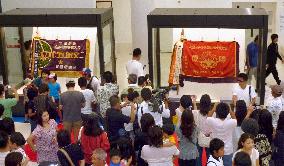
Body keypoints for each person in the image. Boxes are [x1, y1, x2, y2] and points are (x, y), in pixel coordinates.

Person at [192, 94, 211, 164]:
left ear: (200, 103)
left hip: (198, 137)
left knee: (198, 157)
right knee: (209, 157)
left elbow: (195, 110)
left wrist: (194, 102)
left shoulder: (196, 113)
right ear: (209, 103)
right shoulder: (212, 114)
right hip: (209, 137)